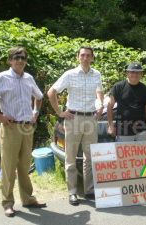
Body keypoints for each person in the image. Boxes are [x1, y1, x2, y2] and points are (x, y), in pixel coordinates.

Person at [0, 46, 46, 217]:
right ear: (10, 60)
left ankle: (28, 199)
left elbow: (39, 96)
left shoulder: (29, 78)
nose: (20, 61)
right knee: (8, 167)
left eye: (23, 58)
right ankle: (7, 202)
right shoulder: (2, 78)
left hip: (27, 127)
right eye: (17, 57)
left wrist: (35, 113)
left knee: (24, 166)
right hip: (11, 127)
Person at [47, 46, 104, 205]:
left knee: (90, 156)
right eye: (83, 55)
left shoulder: (96, 74)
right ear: (78, 57)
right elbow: (52, 92)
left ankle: (89, 190)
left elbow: (100, 91)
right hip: (73, 118)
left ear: (92, 58)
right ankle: (72, 192)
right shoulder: (70, 75)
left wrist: (100, 105)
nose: (85, 58)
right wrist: (59, 112)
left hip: (91, 118)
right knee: (70, 156)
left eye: (88, 56)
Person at [107, 62, 146, 142]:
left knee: (141, 155)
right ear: (127, 73)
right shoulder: (118, 87)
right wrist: (110, 126)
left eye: (138, 72)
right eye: (132, 72)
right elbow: (110, 105)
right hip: (123, 131)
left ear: (141, 74)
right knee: (123, 154)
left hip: (141, 131)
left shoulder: (145, 89)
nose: (135, 74)